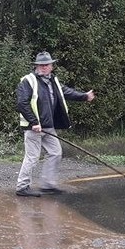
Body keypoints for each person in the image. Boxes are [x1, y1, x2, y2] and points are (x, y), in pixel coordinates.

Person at [15, 51, 95, 197]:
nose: (44, 67)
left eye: (47, 64)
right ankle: (22, 187)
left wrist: (84, 96)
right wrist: (33, 122)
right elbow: (21, 103)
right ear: (36, 66)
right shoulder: (28, 81)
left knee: (55, 153)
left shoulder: (53, 81)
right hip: (34, 128)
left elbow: (67, 92)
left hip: (48, 127)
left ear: (52, 66)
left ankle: (47, 184)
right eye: (41, 65)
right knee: (32, 157)